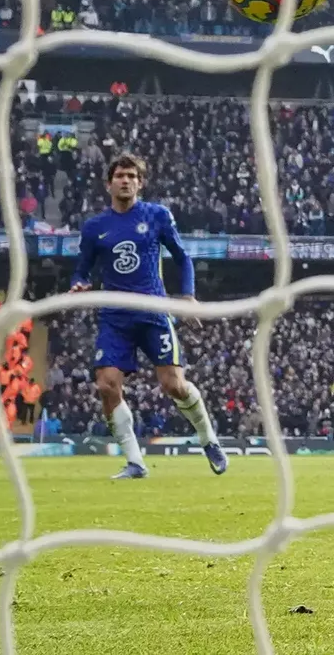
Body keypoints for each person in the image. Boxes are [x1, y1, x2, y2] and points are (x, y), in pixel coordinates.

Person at [69, 153, 226, 479]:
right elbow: (81, 269)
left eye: (131, 176)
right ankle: (135, 462)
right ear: (108, 183)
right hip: (114, 317)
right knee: (106, 385)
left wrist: (188, 297)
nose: (125, 181)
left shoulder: (157, 216)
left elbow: (182, 257)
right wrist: (79, 284)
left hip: (154, 311)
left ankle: (208, 439)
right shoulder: (95, 227)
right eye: (119, 176)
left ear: (140, 183)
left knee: (174, 386)